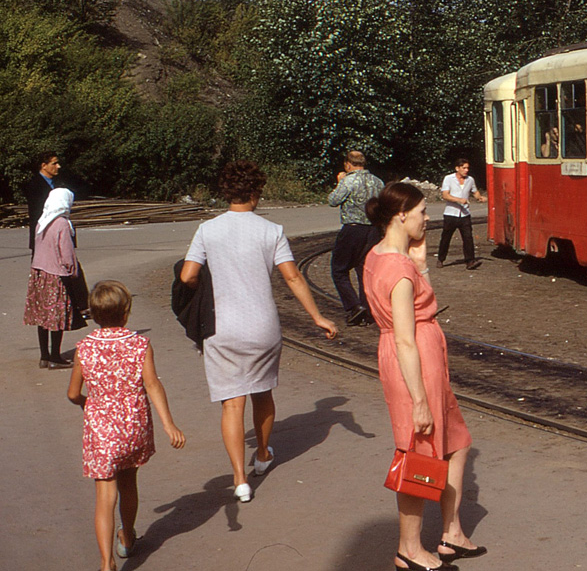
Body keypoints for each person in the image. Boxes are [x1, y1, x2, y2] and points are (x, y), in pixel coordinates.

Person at [179, 161, 338, 503]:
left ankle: (239, 480)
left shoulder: (208, 230)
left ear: (226, 192)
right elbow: (293, 277)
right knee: (262, 394)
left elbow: (187, 276)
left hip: (221, 328)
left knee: (231, 405)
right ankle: (263, 454)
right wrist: (318, 317)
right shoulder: (271, 230)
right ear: (255, 193)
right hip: (262, 326)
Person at [364, 182, 485, 570]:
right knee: (417, 452)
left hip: (418, 353)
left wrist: (421, 264)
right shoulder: (397, 269)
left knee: (457, 441)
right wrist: (418, 401)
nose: (427, 219)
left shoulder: (379, 255)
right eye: (421, 212)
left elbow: (417, 303)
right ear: (402, 215)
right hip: (414, 360)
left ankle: (450, 531)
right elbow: (404, 339)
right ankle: (409, 549)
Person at [68, 281, 185, 571]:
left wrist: (88, 403)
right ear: (126, 313)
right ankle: (128, 537)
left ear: (94, 315)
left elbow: (72, 393)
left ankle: (106, 563)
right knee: (129, 484)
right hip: (133, 425)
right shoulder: (139, 344)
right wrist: (169, 424)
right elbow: (152, 384)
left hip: (101, 430)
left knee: (105, 496)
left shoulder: (84, 349)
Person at [25, 187, 84, 368]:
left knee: (43, 316)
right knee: (57, 316)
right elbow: (66, 254)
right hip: (56, 275)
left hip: (39, 273)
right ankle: (55, 357)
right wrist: (73, 272)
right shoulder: (62, 224)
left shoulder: (41, 221)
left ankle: (44, 356)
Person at [328, 150, 385, 326]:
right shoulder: (378, 181)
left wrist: (339, 182)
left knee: (339, 269)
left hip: (353, 229)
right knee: (364, 270)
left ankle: (354, 306)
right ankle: (368, 310)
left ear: (348, 164)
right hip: (373, 230)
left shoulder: (348, 181)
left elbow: (333, 200)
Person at [437, 158, 486, 271]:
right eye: (463, 168)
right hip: (451, 214)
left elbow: (475, 191)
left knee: (468, 238)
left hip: (464, 214)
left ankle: (470, 261)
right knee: (446, 238)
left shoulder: (470, 180)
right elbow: (445, 195)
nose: (466, 170)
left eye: (467, 168)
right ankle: (441, 258)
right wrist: (459, 200)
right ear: (457, 168)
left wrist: (479, 197)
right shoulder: (448, 179)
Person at [23, 150, 63, 253]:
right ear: (44, 165)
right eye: (54, 163)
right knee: (40, 264)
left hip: (61, 233)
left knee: (69, 262)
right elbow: (37, 212)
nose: (58, 166)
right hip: (43, 233)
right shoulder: (34, 185)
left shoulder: (59, 183)